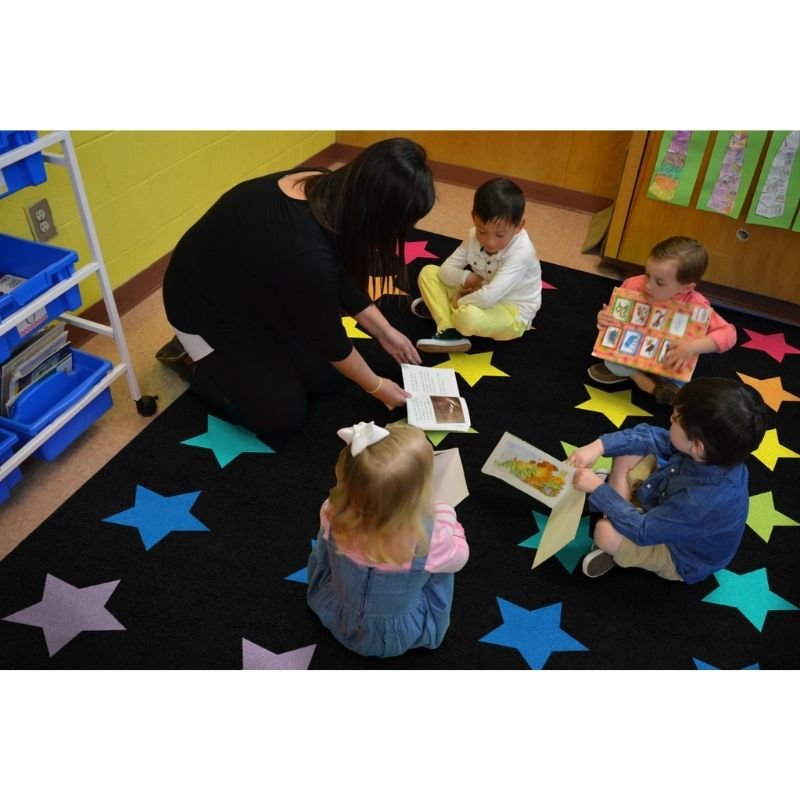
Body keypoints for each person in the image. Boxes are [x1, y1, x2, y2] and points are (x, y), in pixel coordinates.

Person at [157, 138, 435, 435]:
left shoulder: (326, 187)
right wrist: (377, 387)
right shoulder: (305, 253)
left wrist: (384, 331)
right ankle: (190, 358)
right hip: (204, 312)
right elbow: (329, 337)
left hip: (259, 291)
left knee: (331, 378)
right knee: (282, 417)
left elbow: (336, 272)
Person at [567, 377, 768, 584]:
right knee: (628, 450)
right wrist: (598, 446)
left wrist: (598, 489)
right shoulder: (713, 453)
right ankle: (617, 510)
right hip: (666, 504)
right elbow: (650, 437)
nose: (669, 419)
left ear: (697, 446)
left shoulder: (699, 502)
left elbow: (644, 531)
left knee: (604, 532)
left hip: (679, 553)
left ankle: (615, 528)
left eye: (675, 418)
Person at [307, 421, 469, 658]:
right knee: (442, 567)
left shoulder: (331, 511)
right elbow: (460, 558)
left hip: (336, 613)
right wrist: (448, 516)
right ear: (417, 495)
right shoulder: (431, 536)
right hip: (395, 633)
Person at [587, 236, 736, 405]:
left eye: (659, 282)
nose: (648, 285)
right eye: (647, 274)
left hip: (667, 359)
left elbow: (729, 334)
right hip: (631, 349)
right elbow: (614, 318)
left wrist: (692, 347)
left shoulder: (696, 305)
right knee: (611, 361)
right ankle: (644, 382)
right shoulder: (633, 285)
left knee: (677, 374)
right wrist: (604, 318)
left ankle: (641, 377)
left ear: (686, 287)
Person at [412, 177, 542, 353]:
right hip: (480, 292)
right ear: (473, 217)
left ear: (519, 226)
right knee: (429, 272)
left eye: (500, 234)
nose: (490, 242)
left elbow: (489, 297)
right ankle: (448, 329)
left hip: (511, 311)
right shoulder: (473, 235)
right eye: (482, 231)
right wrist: (467, 277)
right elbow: (444, 271)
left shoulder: (522, 252)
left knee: (467, 318)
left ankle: (444, 311)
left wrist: (459, 301)